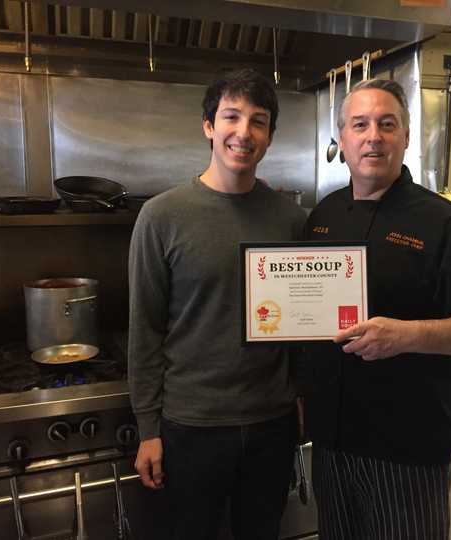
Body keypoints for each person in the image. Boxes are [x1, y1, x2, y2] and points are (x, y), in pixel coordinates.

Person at [302, 78, 451, 540]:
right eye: (359, 124)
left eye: (387, 124)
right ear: (342, 140)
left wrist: (405, 336)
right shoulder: (323, 217)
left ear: (405, 137)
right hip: (332, 442)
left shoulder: (444, 223)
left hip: (406, 449)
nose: (373, 136)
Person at [128, 68, 306, 539]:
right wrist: (149, 429)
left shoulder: (289, 219)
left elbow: (302, 325)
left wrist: (302, 400)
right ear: (209, 125)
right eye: (231, 117)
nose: (243, 133)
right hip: (191, 427)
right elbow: (144, 329)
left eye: (259, 121)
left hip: (272, 424)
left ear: (269, 135)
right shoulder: (161, 217)